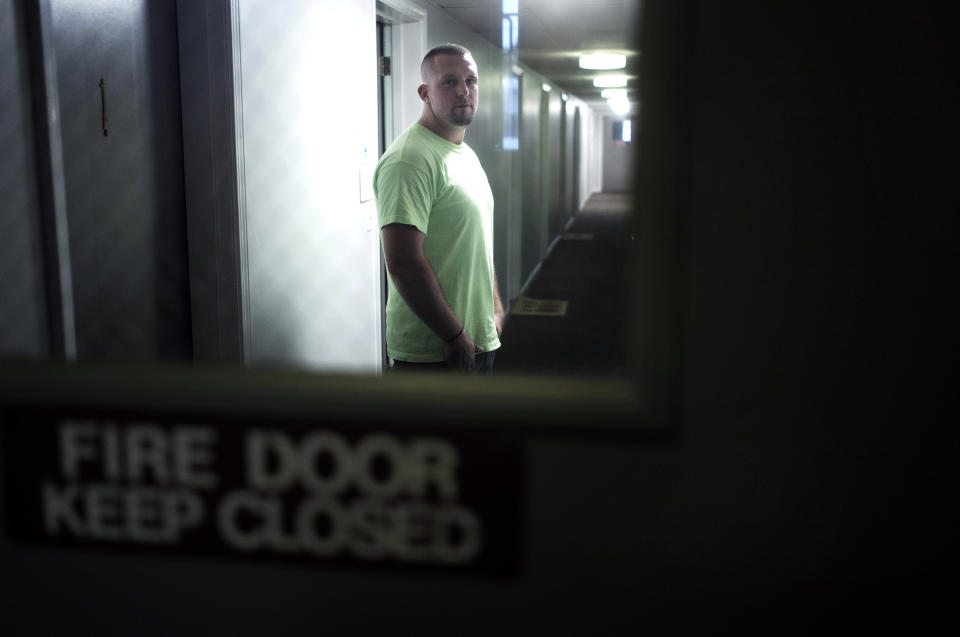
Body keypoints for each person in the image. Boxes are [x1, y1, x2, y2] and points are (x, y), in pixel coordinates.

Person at [374, 43, 504, 373]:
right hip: (436, 350)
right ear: (425, 92)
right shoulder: (410, 160)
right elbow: (403, 261)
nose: (464, 91)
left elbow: (478, 242)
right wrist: (454, 333)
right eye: (449, 81)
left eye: (471, 81)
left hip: (477, 338)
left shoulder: (465, 154)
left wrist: (495, 308)